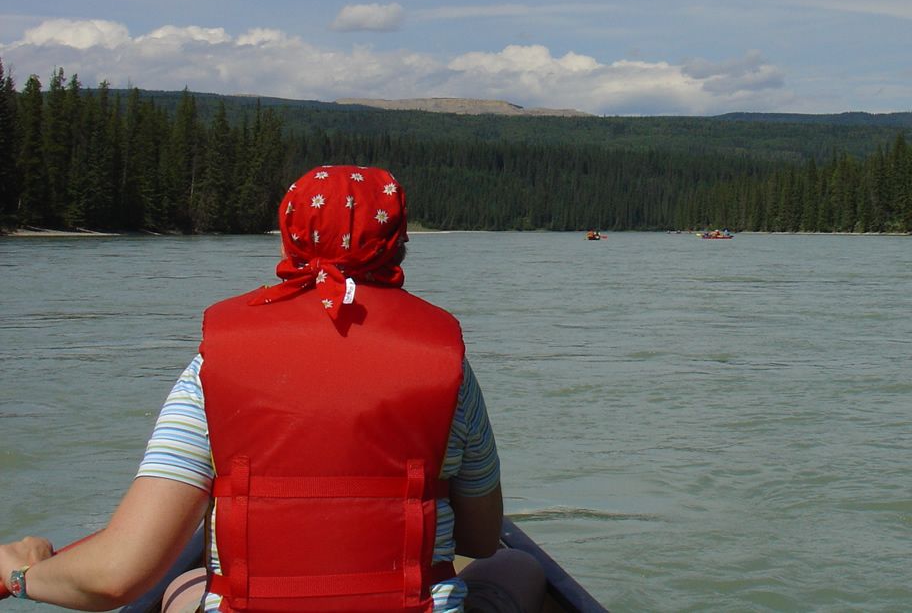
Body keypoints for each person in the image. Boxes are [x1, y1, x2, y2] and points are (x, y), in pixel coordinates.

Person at [1, 165, 544, 612]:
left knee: (179, 585)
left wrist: (24, 573)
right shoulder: (447, 364)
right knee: (518, 564)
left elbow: (116, 577)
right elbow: (479, 537)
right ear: (398, 243)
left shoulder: (214, 364)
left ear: (289, 234)